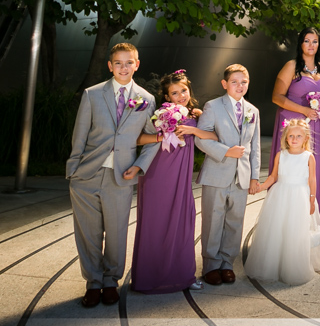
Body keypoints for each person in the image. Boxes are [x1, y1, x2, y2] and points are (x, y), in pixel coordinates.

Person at [66, 43, 158, 308]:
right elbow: (80, 134)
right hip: (87, 174)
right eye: (118, 63)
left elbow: (152, 139)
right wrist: (73, 170)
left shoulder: (146, 99)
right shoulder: (92, 94)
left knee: (117, 232)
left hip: (122, 175)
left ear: (137, 64)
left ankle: (110, 282)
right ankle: (93, 282)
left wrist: (140, 166)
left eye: (129, 62)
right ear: (110, 65)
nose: (123, 67)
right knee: (88, 233)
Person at [132, 70, 217, 293]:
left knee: (182, 221)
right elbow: (138, 138)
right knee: (155, 223)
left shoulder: (196, 115)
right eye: (174, 93)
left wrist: (193, 128)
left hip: (181, 176)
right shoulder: (159, 113)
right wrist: (162, 135)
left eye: (184, 91)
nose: (180, 96)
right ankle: (147, 279)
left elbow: (216, 136)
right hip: (158, 175)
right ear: (167, 96)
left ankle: (183, 277)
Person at [195, 64, 261, 286]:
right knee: (213, 220)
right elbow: (200, 138)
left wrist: (253, 176)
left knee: (235, 221)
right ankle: (211, 265)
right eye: (234, 82)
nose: (239, 86)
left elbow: (255, 146)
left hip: (241, 177)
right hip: (217, 172)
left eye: (244, 82)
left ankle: (227, 263)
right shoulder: (213, 106)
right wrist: (225, 152)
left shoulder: (253, 111)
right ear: (224, 84)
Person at [245, 120, 320, 285]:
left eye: (298, 136)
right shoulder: (281, 155)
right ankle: (275, 264)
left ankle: (294, 266)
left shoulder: (308, 157)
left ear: (305, 138)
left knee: (296, 229)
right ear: (286, 138)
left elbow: (312, 180)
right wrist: (261, 187)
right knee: (277, 229)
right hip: (281, 195)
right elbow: (273, 176)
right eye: (291, 136)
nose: (294, 139)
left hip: (300, 196)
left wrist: (311, 200)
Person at [271, 27, 320, 232]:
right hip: (294, 126)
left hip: (317, 126)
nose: (311, 45)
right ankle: (288, 229)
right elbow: (277, 97)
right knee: (294, 175)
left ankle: (314, 226)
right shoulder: (291, 67)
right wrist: (304, 110)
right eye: (307, 41)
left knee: (315, 174)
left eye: (315, 41)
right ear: (300, 44)